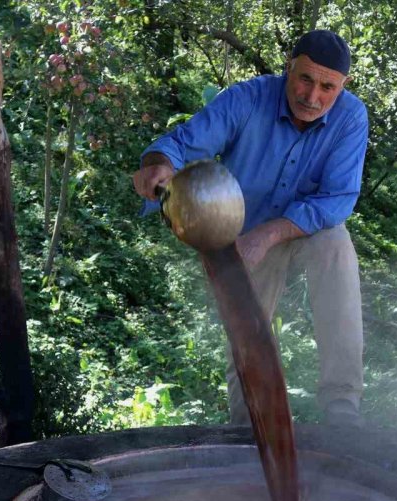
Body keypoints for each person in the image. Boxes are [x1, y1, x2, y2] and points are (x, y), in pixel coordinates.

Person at [132, 29, 368, 427]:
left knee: (336, 245)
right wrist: (158, 164)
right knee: (245, 334)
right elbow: (181, 143)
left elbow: (337, 199)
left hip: (303, 230)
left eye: (328, 87)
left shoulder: (351, 116)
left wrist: (271, 233)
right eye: (305, 79)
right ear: (288, 68)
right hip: (241, 237)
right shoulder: (249, 97)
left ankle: (342, 404)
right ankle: (252, 431)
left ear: (342, 87)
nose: (313, 97)